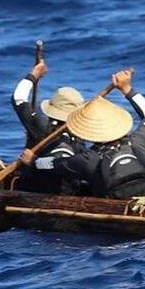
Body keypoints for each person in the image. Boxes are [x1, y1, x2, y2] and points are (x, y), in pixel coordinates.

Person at [20, 69, 145, 199]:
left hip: (114, 202)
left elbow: (55, 164)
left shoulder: (88, 159)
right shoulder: (139, 141)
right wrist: (126, 89)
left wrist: (33, 161)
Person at [11, 60, 87, 194]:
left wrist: (34, 75)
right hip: (71, 191)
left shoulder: (41, 126)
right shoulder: (81, 132)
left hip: (37, 190)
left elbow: (18, 98)